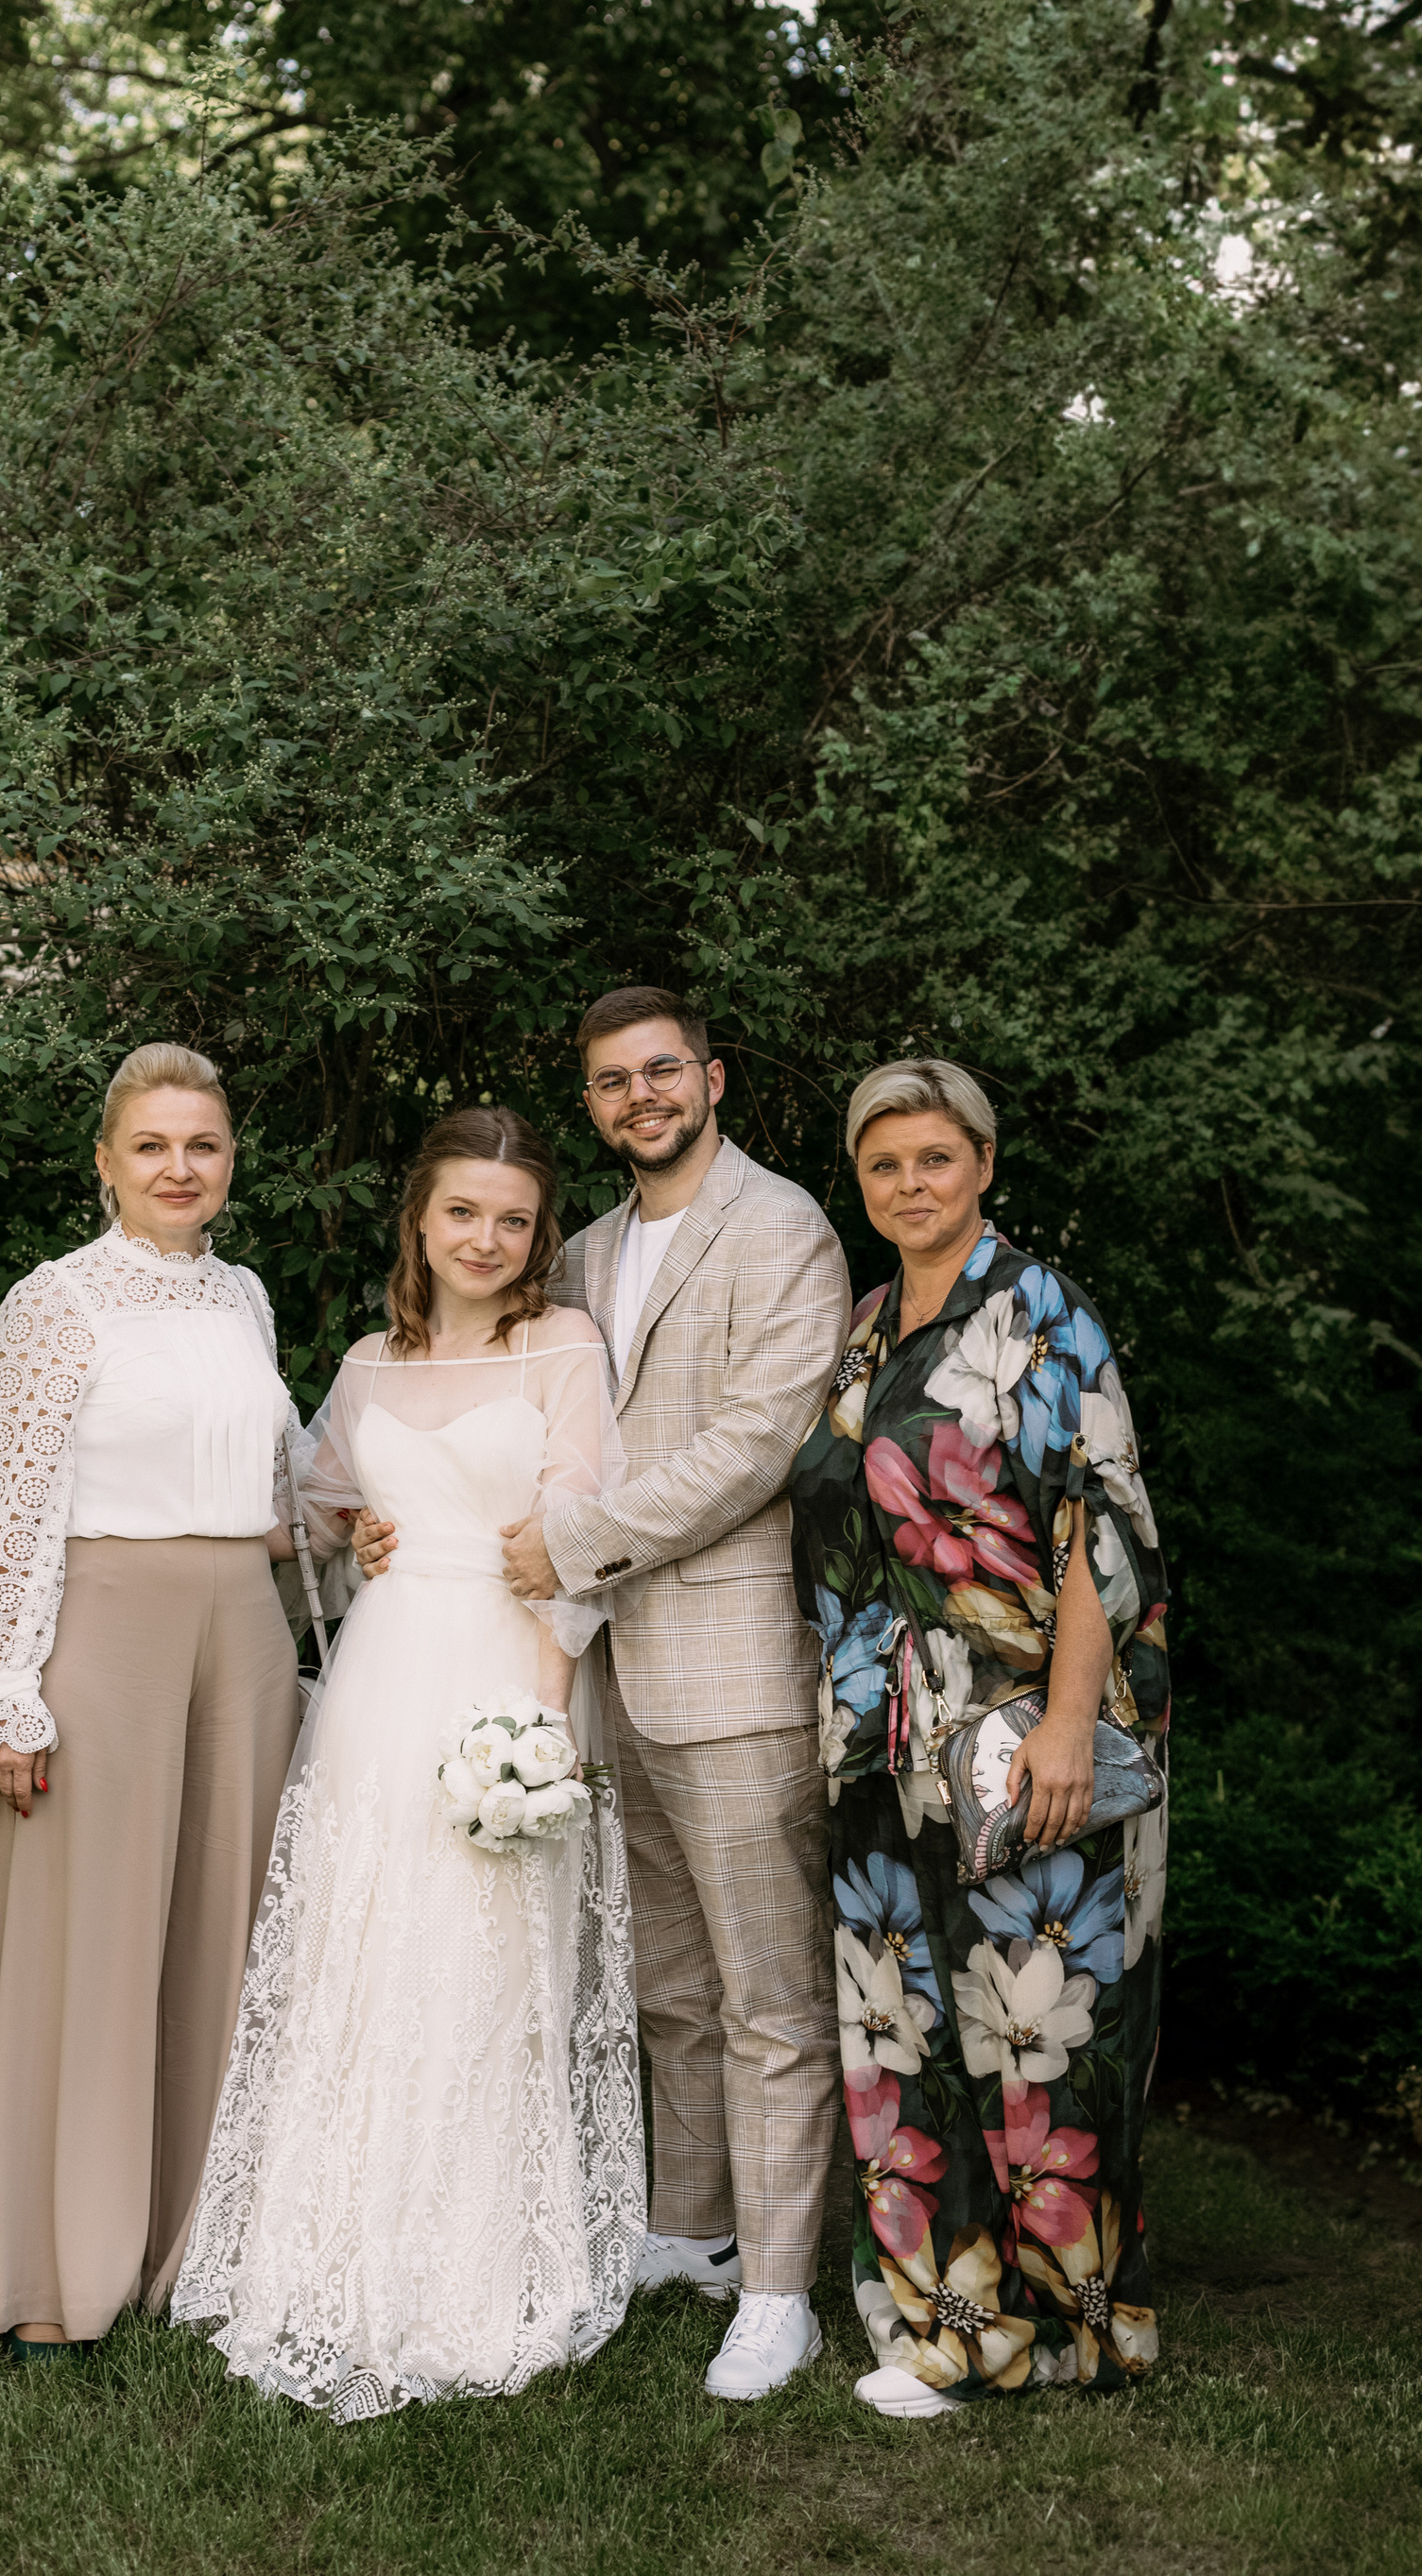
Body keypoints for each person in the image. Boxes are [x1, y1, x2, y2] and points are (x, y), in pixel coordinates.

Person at [358, 990, 852, 2401]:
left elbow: (757, 1444)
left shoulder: (784, 1230)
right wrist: (389, 1520)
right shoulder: (576, 1254)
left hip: (730, 1662)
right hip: (598, 1667)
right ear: (591, 1103)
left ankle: (778, 2291)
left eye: (661, 1071)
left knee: (769, 1995)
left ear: (712, 1076)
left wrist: (576, 1543)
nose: (642, 1096)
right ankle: (691, 2230)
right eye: (612, 1080)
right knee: (670, 1984)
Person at [172, 1107, 643, 2421]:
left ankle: (473, 2266)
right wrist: (346, 1525)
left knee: (484, 1959)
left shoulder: (565, 1346)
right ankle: (322, 2249)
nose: (486, 1239)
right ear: (420, 1222)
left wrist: (542, 1729)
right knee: (361, 1948)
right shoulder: (370, 1364)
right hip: (378, 1685)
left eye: (512, 1220)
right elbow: (310, 1511)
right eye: (462, 1213)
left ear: (538, 1235)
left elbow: (576, 1545)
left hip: (500, 1674)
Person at [0, 1042, 302, 2356]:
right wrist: (9, 1691)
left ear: (230, 1161)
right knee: (92, 1943)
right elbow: (10, 1511)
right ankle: (51, 2269)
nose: (180, 1168)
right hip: (108, 1633)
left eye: (204, 1145)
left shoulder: (245, 1297)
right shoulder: (56, 1301)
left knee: (222, 1936)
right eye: (153, 1147)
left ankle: (193, 2246)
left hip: (244, 1634)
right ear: (106, 1163)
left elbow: (275, 1486)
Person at [788, 1057, 1170, 2417]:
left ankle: (1069, 2328)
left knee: (1036, 2024)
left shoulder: (1041, 1313)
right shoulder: (867, 1325)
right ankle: (949, 2326)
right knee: (898, 2028)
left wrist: (1068, 1724)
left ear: (986, 1165)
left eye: (936, 1159)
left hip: (1018, 1736)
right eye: (885, 1164)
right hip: (881, 1742)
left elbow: (1099, 1528)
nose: (911, 1185)